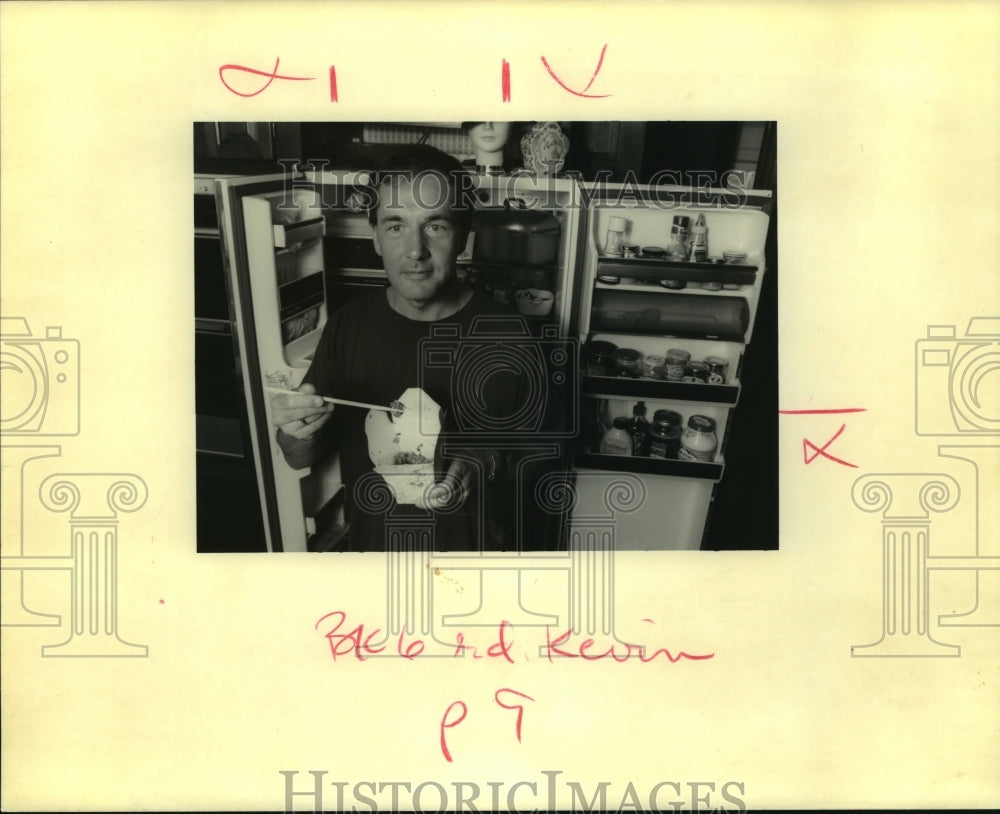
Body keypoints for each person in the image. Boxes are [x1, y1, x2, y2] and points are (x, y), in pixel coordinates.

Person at [270, 144, 541, 552]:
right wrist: (295, 432)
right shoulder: (348, 326)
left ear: (464, 235)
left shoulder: (511, 335)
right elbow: (297, 455)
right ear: (376, 236)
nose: (415, 250)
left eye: (436, 226)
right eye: (396, 226)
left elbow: (541, 458)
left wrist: (481, 462)